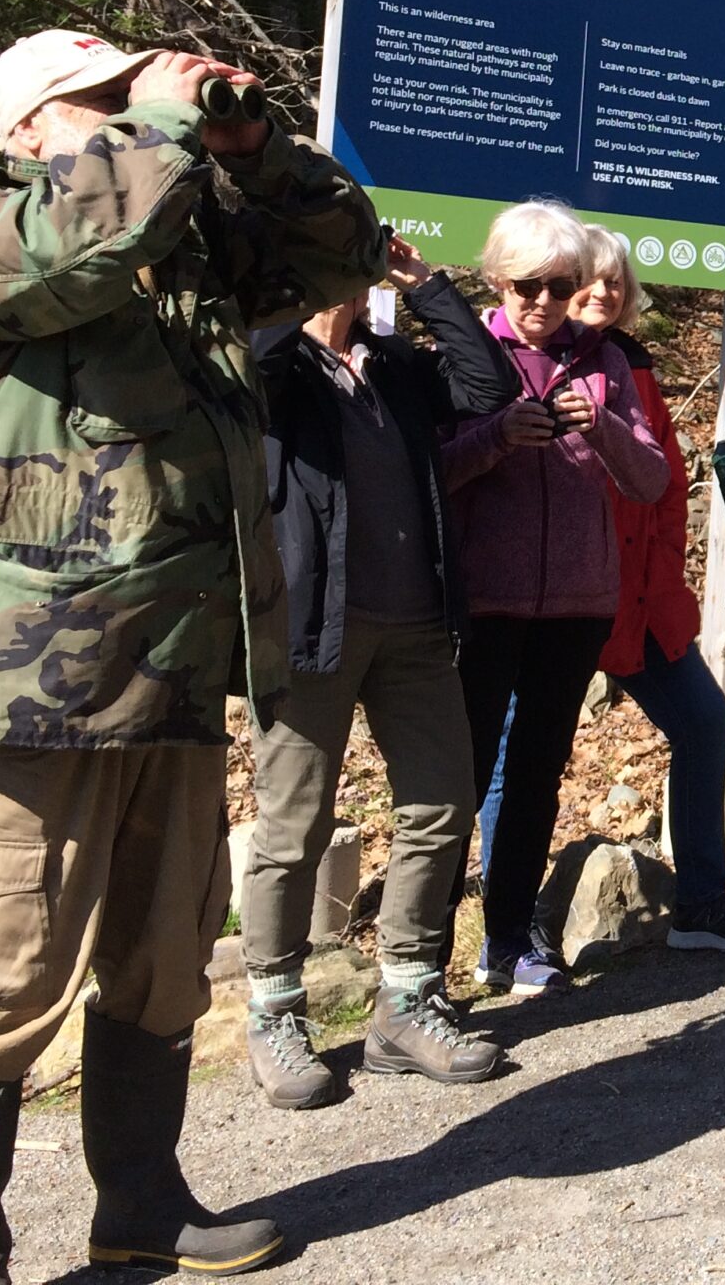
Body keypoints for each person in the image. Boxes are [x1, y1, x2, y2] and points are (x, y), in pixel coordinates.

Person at [0, 30, 381, 1282]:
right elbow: (74, 247)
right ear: (19, 132)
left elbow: (341, 252)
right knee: (6, 974)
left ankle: (143, 1205)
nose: (130, 112)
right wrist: (158, 134)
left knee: (163, 961)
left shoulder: (184, 239)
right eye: (96, 102)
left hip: (176, 655)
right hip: (25, 681)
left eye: (134, 93)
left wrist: (250, 146)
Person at [239, 232, 518, 1110]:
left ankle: (406, 999)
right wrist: (293, 280)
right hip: (310, 628)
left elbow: (488, 387)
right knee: (294, 824)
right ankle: (275, 1011)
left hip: (415, 626)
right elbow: (251, 364)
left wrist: (427, 283)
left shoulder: (394, 364)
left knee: (440, 805)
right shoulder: (276, 370)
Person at [442, 202, 669, 995]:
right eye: (527, 285)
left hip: (576, 603)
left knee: (538, 774)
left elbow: (651, 478)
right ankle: (422, 962)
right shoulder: (464, 354)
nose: (543, 302)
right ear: (497, 280)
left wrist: (601, 423)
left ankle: (509, 941)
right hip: (487, 602)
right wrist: (499, 435)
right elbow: (429, 475)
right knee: (459, 778)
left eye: (561, 286)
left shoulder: (602, 362)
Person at [570, 228, 725, 952]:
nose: (602, 293)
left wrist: (663, 593)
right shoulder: (521, 365)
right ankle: (508, 939)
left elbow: (658, 498)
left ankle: (700, 906)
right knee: (520, 762)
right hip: (553, 603)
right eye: (586, 279)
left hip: (642, 600)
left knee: (704, 721)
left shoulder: (637, 368)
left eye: (614, 282)